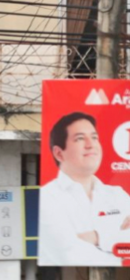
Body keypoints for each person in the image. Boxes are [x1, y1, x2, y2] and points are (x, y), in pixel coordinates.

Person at [40, 111, 130, 266]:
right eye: (80, 138)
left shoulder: (117, 194)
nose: (90, 144)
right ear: (59, 153)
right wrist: (118, 247)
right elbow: (69, 253)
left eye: (94, 137)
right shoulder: (47, 198)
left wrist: (97, 237)